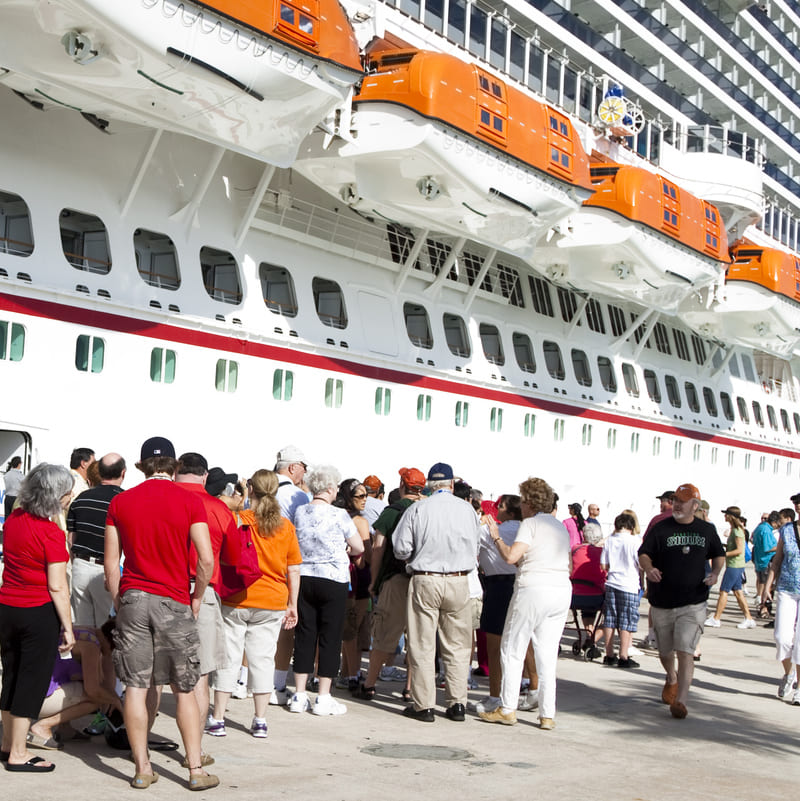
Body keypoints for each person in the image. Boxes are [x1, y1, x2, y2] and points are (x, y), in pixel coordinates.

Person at [104, 436, 218, 790]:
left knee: (136, 687)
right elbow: (205, 559)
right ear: (175, 466)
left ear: (140, 466)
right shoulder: (188, 501)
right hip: (173, 599)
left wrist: (120, 599)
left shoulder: (121, 502)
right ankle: (195, 770)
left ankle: (142, 768)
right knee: (183, 687)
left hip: (135, 597)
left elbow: (111, 564)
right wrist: (197, 596)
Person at [209, 470, 301, 736]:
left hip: (237, 598)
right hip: (272, 600)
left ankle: (218, 718)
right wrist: (292, 603)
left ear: (250, 490)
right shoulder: (286, 527)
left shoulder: (239, 520)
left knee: (229, 657)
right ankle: (260, 720)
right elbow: (293, 569)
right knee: (263, 659)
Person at [478, 477, 571, 730]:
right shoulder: (560, 526)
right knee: (547, 654)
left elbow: (511, 557)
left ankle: (507, 708)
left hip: (533, 588)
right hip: (561, 589)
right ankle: (547, 714)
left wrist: (496, 536)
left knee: (512, 647)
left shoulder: (530, 524)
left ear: (529, 502)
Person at [393, 462, 482, 723]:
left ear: (430, 486)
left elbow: (400, 548)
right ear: (452, 485)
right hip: (458, 579)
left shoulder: (419, 508)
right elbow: (475, 545)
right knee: (457, 645)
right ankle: (457, 703)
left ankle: (424, 705)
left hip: (425, 578)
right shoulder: (467, 510)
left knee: (422, 643)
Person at [0, 463, 75, 772]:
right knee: (30, 682)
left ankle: (7, 744)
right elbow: (57, 586)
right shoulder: (51, 534)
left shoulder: (15, 520)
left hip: (7, 607)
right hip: (37, 612)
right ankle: (18, 752)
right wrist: (68, 627)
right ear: (57, 496)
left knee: (12, 675)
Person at [638, 483, 725, 719]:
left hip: (693, 602)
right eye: (675, 499)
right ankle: (671, 677)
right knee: (665, 652)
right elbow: (644, 553)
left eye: (682, 500)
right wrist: (649, 568)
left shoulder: (706, 530)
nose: (677, 504)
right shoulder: (661, 528)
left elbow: (718, 554)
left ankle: (681, 700)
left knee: (685, 650)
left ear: (694, 505)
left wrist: (716, 573)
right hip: (662, 601)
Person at [174, 452, 240, 756]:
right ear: (204, 476)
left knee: (147, 678)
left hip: (159, 588)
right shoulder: (217, 508)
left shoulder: (163, 499)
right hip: (202, 591)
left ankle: (141, 754)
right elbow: (233, 558)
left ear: (177, 473)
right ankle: (194, 752)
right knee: (199, 675)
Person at [289, 465, 363, 716]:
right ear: (331, 489)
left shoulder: (300, 511)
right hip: (332, 578)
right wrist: (345, 550)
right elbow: (358, 546)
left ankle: (299, 694)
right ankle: (323, 696)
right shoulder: (339, 514)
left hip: (305, 577)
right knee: (330, 637)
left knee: (305, 634)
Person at [353, 467, 426, 701]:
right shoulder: (428, 509)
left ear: (402, 485)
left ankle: (370, 684)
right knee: (417, 638)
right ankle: (409, 688)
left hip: (395, 579)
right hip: (423, 579)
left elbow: (378, 547)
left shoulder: (391, 512)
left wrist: (374, 582)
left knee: (384, 635)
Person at [29, 620, 122, 748]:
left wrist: (114, 698)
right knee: (96, 699)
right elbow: (93, 690)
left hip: (28, 692)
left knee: (82, 683)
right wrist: (115, 701)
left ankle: (65, 729)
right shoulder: (91, 646)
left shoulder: (84, 631)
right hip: (37, 701)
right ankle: (42, 727)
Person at [474, 494, 523, 715]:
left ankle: (496, 695)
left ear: (510, 513)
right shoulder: (525, 530)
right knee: (522, 643)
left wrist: (481, 521)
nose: (497, 511)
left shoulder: (493, 531)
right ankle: (531, 688)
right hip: (519, 585)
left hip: (497, 586)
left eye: (501, 507)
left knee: (494, 646)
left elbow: (473, 538)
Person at [67, 453, 126, 626]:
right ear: (123, 473)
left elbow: (71, 539)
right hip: (106, 571)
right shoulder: (124, 501)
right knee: (105, 629)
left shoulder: (81, 499)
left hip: (80, 566)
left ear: (99, 472)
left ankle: (86, 655)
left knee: (82, 627)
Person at [272, 445, 309, 703]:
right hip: (284, 563)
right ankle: (277, 684)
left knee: (253, 622)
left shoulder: (260, 490)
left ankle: (243, 679)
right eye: (304, 468)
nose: (304, 474)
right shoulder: (297, 496)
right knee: (286, 624)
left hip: (258, 561)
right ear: (294, 467)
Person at [333, 479, 372, 691]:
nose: (365, 500)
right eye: (360, 496)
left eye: (366, 495)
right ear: (349, 497)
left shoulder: (334, 514)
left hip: (343, 577)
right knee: (352, 630)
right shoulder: (360, 522)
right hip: (357, 577)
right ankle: (353, 675)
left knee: (346, 628)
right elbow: (364, 557)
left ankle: (346, 672)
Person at [764, 497, 800, 702]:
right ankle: (789, 673)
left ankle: (799, 688)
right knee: (782, 637)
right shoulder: (787, 530)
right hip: (786, 588)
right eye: (797, 502)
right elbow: (778, 559)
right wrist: (768, 584)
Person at [601, 512, 643, 668]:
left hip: (612, 582)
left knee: (610, 618)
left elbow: (604, 565)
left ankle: (609, 654)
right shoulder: (635, 541)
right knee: (627, 620)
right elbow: (641, 563)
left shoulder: (610, 541)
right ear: (631, 527)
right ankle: (623, 655)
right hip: (629, 584)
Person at [704, 506, 756, 629]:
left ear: (731, 516)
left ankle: (716, 618)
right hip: (736, 564)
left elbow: (739, 550)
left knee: (724, 590)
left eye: (726, 514)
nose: (724, 516)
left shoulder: (737, 530)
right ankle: (748, 618)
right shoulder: (735, 529)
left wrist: (723, 554)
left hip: (735, 565)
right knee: (738, 592)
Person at [752, 511, 780, 614]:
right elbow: (767, 547)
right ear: (774, 522)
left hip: (760, 560)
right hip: (766, 561)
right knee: (767, 587)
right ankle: (764, 609)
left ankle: (763, 607)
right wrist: (780, 547)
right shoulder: (767, 530)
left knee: (763, 584)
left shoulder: (759, 527)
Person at [3, 455, 23, 520]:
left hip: (7, 498)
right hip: (16, 499)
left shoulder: (7, 474)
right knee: (15, 519)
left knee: (7, 518)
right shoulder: (21, 476)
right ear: (19, 464)